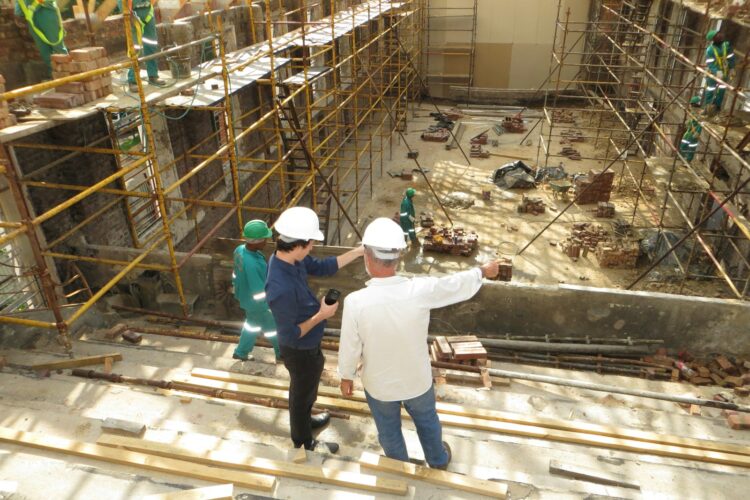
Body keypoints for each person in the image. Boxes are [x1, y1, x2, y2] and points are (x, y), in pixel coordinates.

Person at [338, 217, 499, 470]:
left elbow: (349, 346)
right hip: (417, 380)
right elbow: (454, 285)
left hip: (379, 386)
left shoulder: (356, 302)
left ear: (367, 257)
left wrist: (346, 376)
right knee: (427, 422)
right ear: (399, 257)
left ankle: (399, 467)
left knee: (388, 431)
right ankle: (437, 460)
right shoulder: (419, 291)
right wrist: (482, 271)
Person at [265, 206, 364, 453]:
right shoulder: (280, 288)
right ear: (297, 245)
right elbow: (288, 334)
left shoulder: (291, 257)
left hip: (309, 344)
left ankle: (306, 421)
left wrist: (358, 252)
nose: (312, 249)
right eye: (310, 245)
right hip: (298, 349)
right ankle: (303, 440)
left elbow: (322, 267)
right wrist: (322, 315)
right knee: (301, 392)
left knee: (307, 389)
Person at [232, 220, 281, 362]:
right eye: (264, 238)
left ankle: (241, 352)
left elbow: (235, 273)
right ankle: (282, 354)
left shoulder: (240, 250)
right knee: (274, 328)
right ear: (256, 241)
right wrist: (267, 306)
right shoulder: (252, 264)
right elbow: (258, 290)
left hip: (245, 298)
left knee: (252, 325)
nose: (266, 241)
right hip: (258, 304)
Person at [118, 0, 166, 92]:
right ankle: (133, 80)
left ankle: (153, 75)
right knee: (135, 49)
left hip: (148, 12)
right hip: (133, 14)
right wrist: (127, 14)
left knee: (151, 44)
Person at [14, 0, 68, 80]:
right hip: (31, 17)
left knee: (57, 45)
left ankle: (68, 72)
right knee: (43, 49)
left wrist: (33, 7)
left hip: (46, 12)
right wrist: (18, 13)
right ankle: (53, 75)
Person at [703, 30, 735, 117]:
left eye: (719, 33)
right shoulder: (710, 50)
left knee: (721, 90)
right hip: (713, 74)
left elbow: (731, 57)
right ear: (713, 39)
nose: (720, 35)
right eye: (717, 35)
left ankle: (717, 108)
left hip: (724, 72)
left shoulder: (727, 45)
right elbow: (710, 62)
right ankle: (707, 108)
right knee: (710, 90)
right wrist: (716, 71)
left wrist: (732, 68)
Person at [678, 96, 703, 164]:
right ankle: (681, 158)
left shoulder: (700, 113)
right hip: (689, 131)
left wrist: (698, 132)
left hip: (694, 133)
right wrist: (688, 122)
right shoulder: (693, 111)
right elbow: (691, 120)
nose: (691, 106)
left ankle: (688, 161)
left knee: (691, 147)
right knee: (683, 145)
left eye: (692, 105)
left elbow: (701, 124)